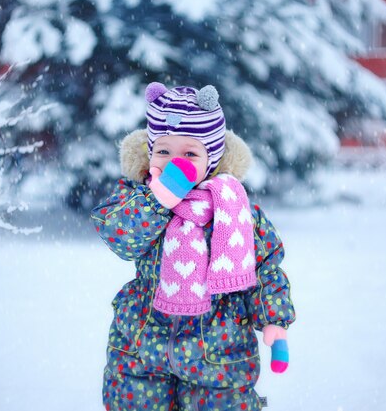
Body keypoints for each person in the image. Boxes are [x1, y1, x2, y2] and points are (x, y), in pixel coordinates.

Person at [91, 83, 296, 410]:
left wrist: (274, 319)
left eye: (189, 153)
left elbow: (266, 267)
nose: (175, 162)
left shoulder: (234, 209)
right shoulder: (136, 198)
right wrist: (159, 199)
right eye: (163, 151)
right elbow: (119, 235)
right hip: (141, 345)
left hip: (219, 352)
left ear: (211, 158)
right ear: (149, 153)